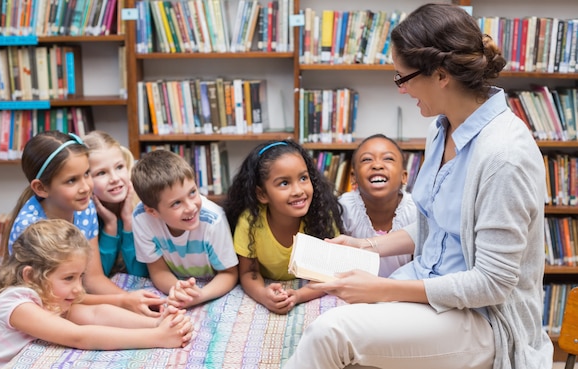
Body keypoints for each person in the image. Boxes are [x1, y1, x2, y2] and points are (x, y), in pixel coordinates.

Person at [284, 4, 553, 369]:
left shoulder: (504, 156)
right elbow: (438, 225)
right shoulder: (440, 128)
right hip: (429, 285)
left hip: (484, 319)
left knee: (330, 333)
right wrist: (368, 245)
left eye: (403, 78)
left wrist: (384, 289)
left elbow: (491, 284)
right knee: (336, 321)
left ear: (441, 75)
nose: (401, 90)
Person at [0, 219, 193, 369]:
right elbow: (79, 336)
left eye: (80, 277)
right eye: (68, 278)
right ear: (30, 276)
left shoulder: (50, 296)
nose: (79, 288)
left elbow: (96, 315)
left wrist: (155, 323)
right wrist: (158, 339)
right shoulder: (15, 303)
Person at [3, 131, 163, 316]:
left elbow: (92, 278)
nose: (86, 187)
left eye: (87, 173)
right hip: (42, 308)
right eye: (72, 180)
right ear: (41, 188)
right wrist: (122, 300)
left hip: (71, 299)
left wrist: (134, 301)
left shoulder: (83, 208)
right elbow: (53, 299)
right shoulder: (31, 230)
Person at [223, 139, 343, 315]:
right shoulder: (250, 222)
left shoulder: (322, 216)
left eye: (303, 178)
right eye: (284, 183)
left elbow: (329, 273)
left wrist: (298, 295)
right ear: (262, 194)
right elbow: (249, 272)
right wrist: (264, 295)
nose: (298, 190)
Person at [131, 149, 238, 309]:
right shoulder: (141, 218)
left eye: (193, 192)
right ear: (152, 211)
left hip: (211, 284)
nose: (191, 207)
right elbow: (158, 271)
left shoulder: (213, 220)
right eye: (176, 203)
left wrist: (199, 295)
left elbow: (229, 273)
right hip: (178, 282)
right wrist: (179, 290)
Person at [339, 134, 416, 277]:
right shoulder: (344, 209)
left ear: (404, 177)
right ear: (353, 177)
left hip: (403, 291)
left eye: (388, 158)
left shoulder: (415, 210)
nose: (377, 165)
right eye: (367, 159)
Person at [83, 130, 148, 277]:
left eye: (119, 167)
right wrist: (110, 226)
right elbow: (97, 277)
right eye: (101, 173)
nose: (114, 178)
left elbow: (140, 274)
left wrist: (128, 221)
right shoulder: (84, 214)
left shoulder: (143, 205)